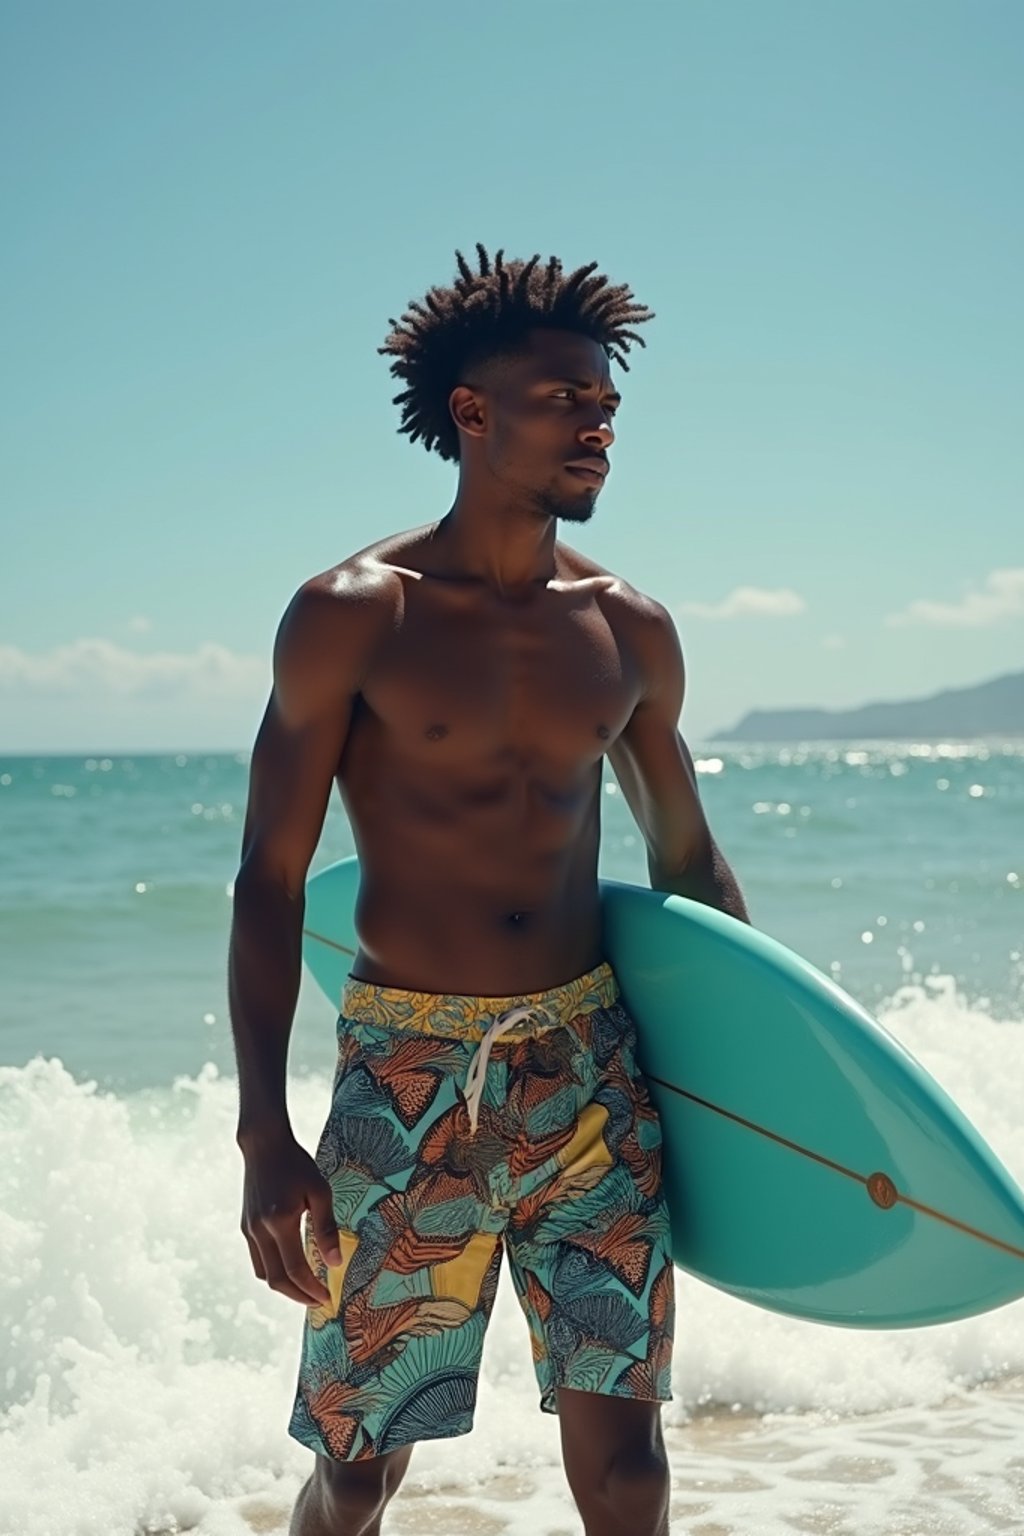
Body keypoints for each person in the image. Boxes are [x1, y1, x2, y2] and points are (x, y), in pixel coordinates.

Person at [229, 245, 748, 1536]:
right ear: (472, 413)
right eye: (569, 399)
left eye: (608, 406)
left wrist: (751, 1090)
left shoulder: (628, 630)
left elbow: (686, 859)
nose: (599, 426)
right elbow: (271, 880)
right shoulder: (355, 616)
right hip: (407, 1082)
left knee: (628, 1467)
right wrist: (262, 1133)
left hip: (592, 1076)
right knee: (360, 1467)